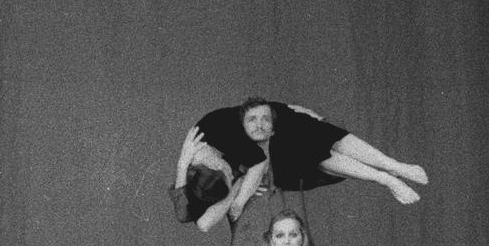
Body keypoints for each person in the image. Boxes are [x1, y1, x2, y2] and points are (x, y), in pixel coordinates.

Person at [170, 99, 427, 232]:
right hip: (268, 149)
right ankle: (387, 179)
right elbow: (195, 220)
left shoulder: (222, 133)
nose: (231, 170)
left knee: (325, 138)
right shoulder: (196, 172)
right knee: (315, 160)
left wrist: (238, 198)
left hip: (274, 122)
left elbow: (257, 165)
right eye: (230, 175)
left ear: (213, 163)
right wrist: (182, 167)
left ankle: (394, 167)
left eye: (227, 171)